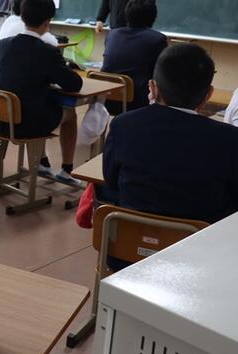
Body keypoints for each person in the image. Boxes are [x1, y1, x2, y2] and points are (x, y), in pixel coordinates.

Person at [102, 43, 238, 223]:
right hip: (202, 238)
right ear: (208, 95)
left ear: (152, 87)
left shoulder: (122, 125)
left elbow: (111, 181)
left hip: (131, 235)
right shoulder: (229, 138)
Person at [0, 0, 83, 186]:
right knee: (69, 113)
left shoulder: (3, 44)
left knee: (38, 103)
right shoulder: (47, 51)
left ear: (22, 17)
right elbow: (74, 84)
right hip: (27, 125)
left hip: (0, 120)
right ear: (47, 22)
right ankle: (67, 170)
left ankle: (42, 162)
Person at [101, 0, 167, 114]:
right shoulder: (157, 39)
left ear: (126, 15)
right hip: (138, 104)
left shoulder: (112, 35)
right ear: (154, 17)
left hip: (107, 98)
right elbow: (162, 72)